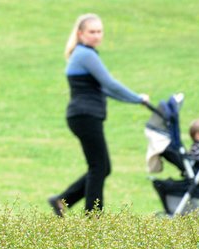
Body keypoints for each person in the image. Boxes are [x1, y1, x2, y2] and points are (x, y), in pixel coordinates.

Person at [48, 14, 149, 215]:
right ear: (80, 34)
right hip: (85, 116)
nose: (96, 35)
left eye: (99, 31)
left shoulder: (83, 54)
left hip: (84, 116)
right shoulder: (85, 55)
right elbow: (110, 83)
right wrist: (137, 98)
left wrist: (135, 100)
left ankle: (62, 201)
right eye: (92, 32)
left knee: (102, 167)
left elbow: (106, 89)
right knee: (99, 166)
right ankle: (93, 216)